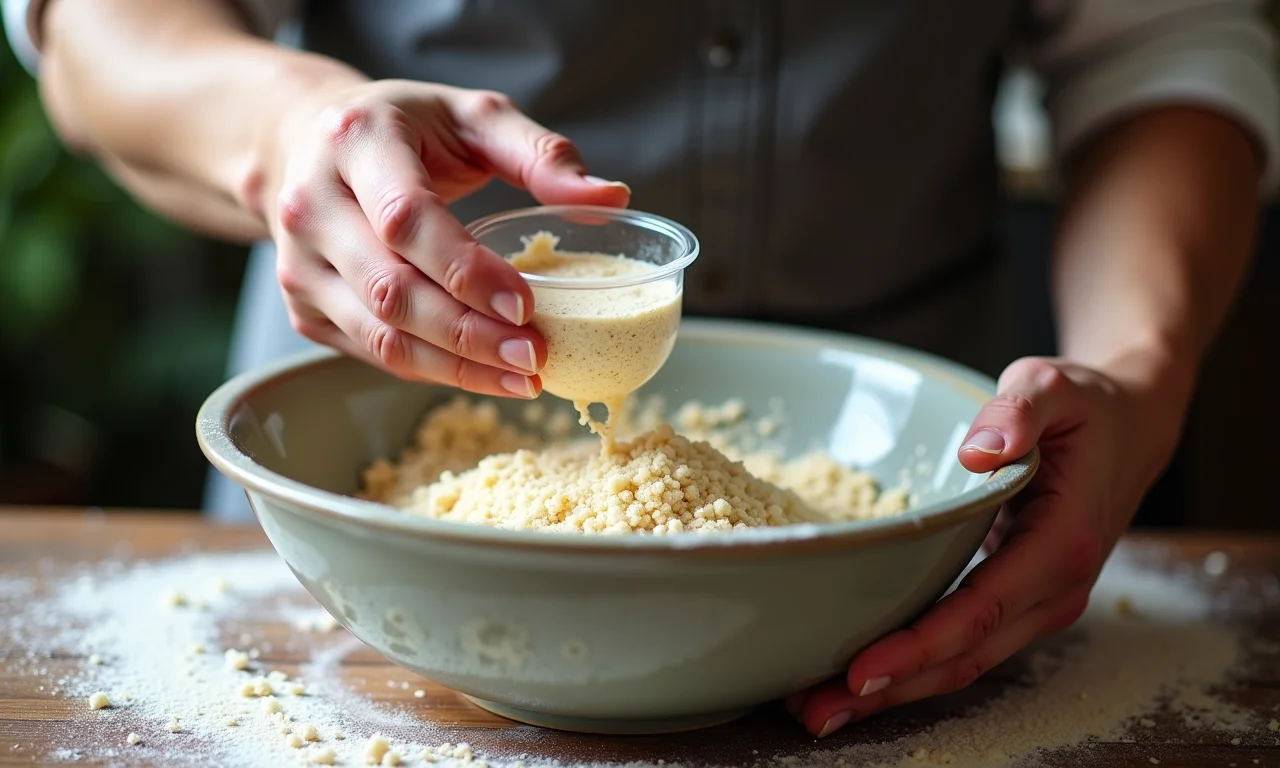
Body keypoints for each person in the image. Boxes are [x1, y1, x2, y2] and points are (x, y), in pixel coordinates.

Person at [5, 0, 1277, 738]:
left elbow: (1159, 43)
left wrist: (1134, 366)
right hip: (381, 454)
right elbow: (101, 27)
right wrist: (285, 126)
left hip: (915, 500)